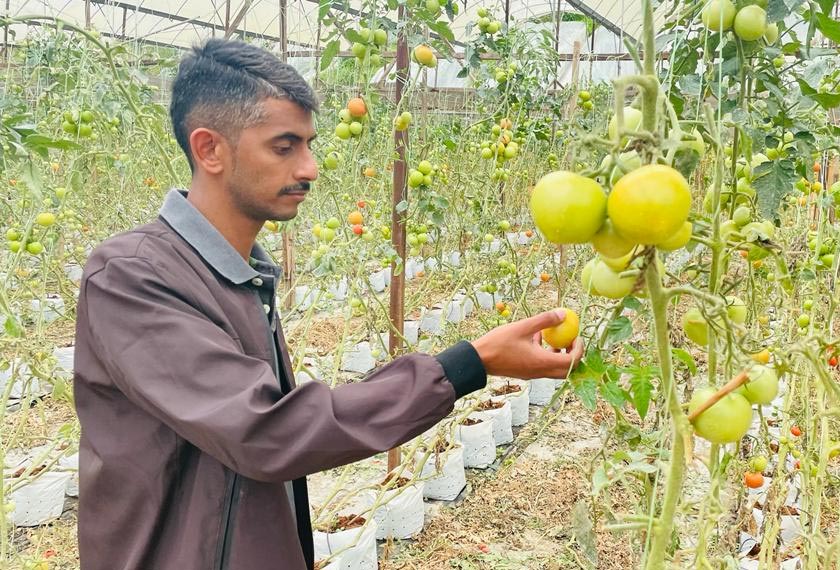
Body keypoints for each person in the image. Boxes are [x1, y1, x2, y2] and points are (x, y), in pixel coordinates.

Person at [73, 38, 584, 570]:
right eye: (285, 147)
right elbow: (266, 432)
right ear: (210, 150)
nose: (310, 168)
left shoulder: (239, 273)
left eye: (309, 145)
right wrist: (466, 365)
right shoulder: (133, 276)